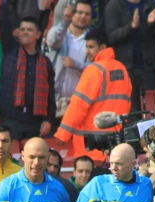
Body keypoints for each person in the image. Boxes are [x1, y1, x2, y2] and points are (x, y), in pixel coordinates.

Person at [55, 29, 132, 164]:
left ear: (102, 47)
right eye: (86, 47)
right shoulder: (122, 69)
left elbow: (78, 105)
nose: (87, 51)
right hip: (116, 143)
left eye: (91, 47)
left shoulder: (94, 70)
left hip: (92, 146)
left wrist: (63, 134)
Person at [0, 14, 55, 140]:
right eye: (22, 29)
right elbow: (4, 23)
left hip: (35, 122)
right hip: (10, 120)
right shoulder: (10, 52)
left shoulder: (45, 62)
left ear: (38, 35)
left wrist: (48, 119)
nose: (25, 32)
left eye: (29, 30)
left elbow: (50, 94)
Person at [103, 0, 155, 111]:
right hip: (124, 69)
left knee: (151, 111)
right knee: (129, 112)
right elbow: (111, 37)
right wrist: (131, 27)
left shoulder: (150, 4)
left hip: (148, 69)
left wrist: (151, 24)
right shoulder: (114, 5)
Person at [46, 0, 91, 101]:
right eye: (79, 12)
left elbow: (95, 68)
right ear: (72, 14)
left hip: (79, 101)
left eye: (87, 14)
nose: (83, 16)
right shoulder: (60, 32)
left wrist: (77, 64)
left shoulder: (93, 40)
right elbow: (52, 40)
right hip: (54, 99)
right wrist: (65, 22)